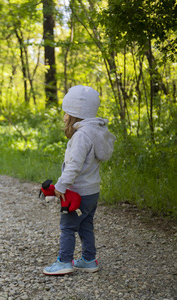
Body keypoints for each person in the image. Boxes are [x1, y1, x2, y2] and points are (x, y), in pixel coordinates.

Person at [43, 85, 116, 275]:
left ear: (76, 113)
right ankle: (89, 260)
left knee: (67, 226)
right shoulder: (95, 132)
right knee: (85, 224)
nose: (64, 116)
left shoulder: (81, 136)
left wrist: (61, 185)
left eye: (67, 112)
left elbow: (74, 165)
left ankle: (64, 261)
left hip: (77, 194)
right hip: (92, 192)